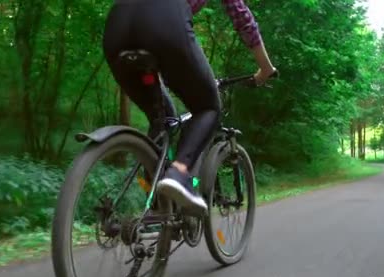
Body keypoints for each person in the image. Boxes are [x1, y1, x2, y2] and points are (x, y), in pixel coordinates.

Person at [103, 0, 276, 212]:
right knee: (208, 107)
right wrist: (265, 68)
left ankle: (157, 204)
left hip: (117, 26)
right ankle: (179, 173)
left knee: (163, 118)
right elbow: (242, 17)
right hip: (164, 19)